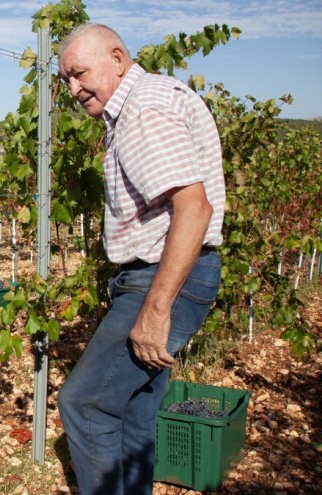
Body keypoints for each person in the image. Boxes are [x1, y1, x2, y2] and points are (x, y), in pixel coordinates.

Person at [55, 24, 225, 495]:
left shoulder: (142, 109)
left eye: (80, 73)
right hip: (165, 274)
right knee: (132, 411)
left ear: (116, 57)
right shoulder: (143, 102)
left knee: (84, 403)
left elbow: (195, 207)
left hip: (164, 277)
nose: (73, 88)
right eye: (66, 79)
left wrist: (155, 308)